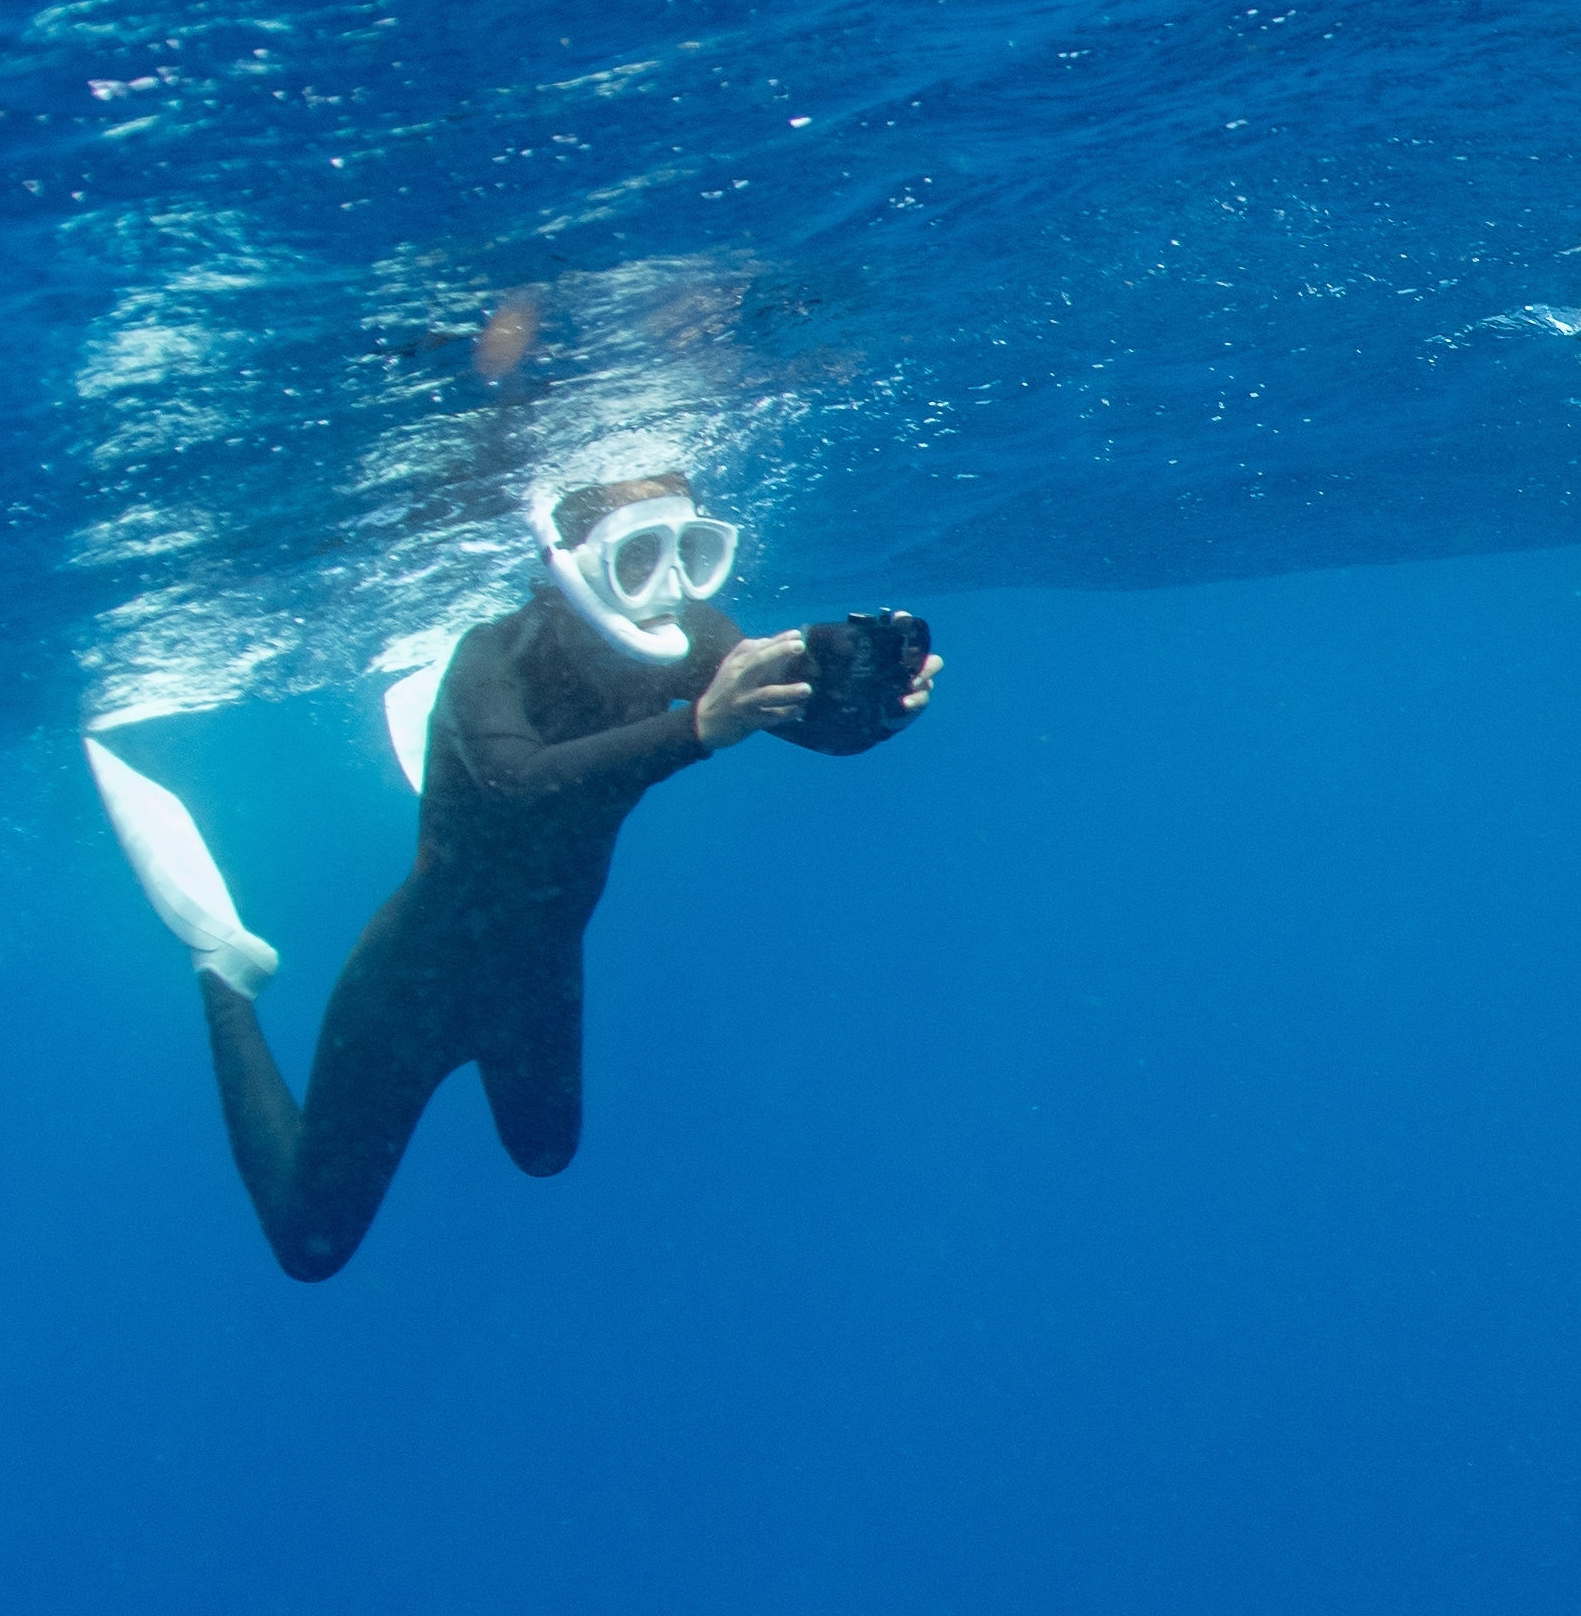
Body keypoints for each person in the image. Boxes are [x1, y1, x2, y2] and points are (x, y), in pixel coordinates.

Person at [87, 457, 941, 1282]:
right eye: (640, 557)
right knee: (311, 1248)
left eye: (691, 551)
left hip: (537, 974)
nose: (672, 585)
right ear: (571, 560)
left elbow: (788, 712)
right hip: (415, 983)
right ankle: (224, 977)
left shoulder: (684, 639)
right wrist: (693, 732)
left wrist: (872, 709)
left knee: (545, 1152)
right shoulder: (493, 657)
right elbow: (518, 784)